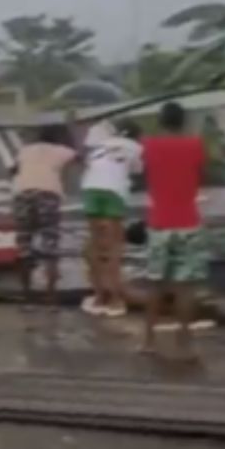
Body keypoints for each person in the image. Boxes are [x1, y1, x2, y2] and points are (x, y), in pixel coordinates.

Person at [141, 101, 207, 359]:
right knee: (185, 287)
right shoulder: (195, 145)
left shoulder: (149, 145)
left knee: (155, 285)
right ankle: (185, 342)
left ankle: (148, 341)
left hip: (159, 223)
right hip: (189, 221)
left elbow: (144, 173)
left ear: (161, 121)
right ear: (184, 122)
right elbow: (201, 175)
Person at [80, 119, 142, 317]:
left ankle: (99, 296)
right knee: (115, 246)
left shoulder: (102, 144)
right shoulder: (137, 148)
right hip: (113, 191)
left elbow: (90, 163)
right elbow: (137, 171)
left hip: (90, 188)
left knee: (95, 244)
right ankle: (115, 299)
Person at [11, 124, 77, 303]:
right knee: (50, 244)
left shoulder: (26, 150)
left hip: (22, 194)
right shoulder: (62, 150)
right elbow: (80, 157)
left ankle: (26, 294)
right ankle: (51, 295)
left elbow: (12, 170)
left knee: (24, 245)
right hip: (48, 194)